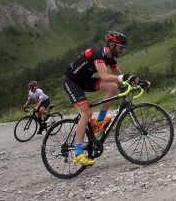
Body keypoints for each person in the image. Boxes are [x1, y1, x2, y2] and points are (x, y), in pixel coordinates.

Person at [62, 31, 150, 166]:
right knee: (86, 113)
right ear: (112, 44)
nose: (122, 50)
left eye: (123, 48)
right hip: (72, 82)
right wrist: (126, 77)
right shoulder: (98, 53)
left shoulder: (111, 58)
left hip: (85, 80)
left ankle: (100, 121)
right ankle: (78, 153)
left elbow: (119, 77)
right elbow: (104, 76)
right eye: (121, 47)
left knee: (113, 87)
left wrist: (138, 81)